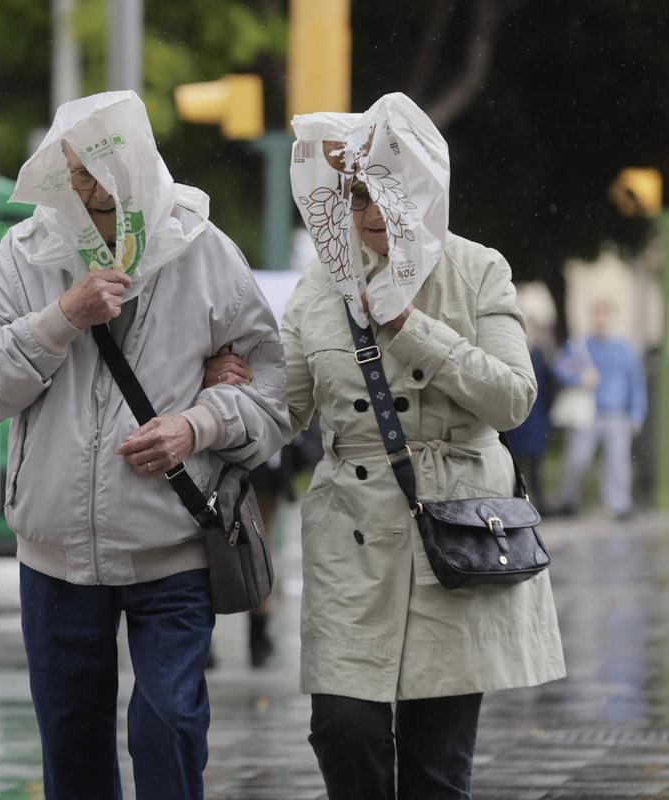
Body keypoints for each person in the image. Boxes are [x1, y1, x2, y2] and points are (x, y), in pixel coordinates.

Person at [208, 93, 565, 800]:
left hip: (454, 532)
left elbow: (513, 399)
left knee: (436, 764)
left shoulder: (476, 268)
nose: (369, 209)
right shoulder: (320, 286)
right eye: (354, 193)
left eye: (384, 189)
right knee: (341, 729)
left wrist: (411, 326)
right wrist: (230, 393)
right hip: (352, 534)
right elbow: (289, 409)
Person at [0, 92, 288, 800]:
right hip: (54, 559)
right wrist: (60, 318)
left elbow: (274, 395)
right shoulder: (27, 254)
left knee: (166, 729)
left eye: (104, 170)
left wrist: (195, 425)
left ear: (140, 161)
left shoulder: (206, 253)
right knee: (72, 753)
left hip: (173, 549)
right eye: (74, 172)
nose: (90, 190)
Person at [553, 300, 647, 520]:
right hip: (587, 414)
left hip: (616, 415)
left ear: (613, 318)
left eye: (605, 315)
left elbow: (636, 385)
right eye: (597, 314)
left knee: (618, 462)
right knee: (576, 459)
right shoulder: (580, 346)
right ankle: (569, 499)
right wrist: (578, 378)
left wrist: (637, 415)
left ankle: (619, 505)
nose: (601, 320)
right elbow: (559, 368)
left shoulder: (626, 351)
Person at [502, 321, 554, 505]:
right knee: (516, 463)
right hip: (517, 419)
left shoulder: (539, 356)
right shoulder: (511, 354)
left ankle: (539, 502)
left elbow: (548, 386)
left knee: (535, 463)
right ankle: (518, 501)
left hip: (536, 417)